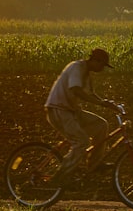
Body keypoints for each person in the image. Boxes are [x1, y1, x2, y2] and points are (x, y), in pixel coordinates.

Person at [44, 47, 118, 184]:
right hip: (59, 110)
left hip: (71, 111)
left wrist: (106, 103)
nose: (102, 69)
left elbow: (90, 94)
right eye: (102, 65)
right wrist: (101, 104)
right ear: (95, 60)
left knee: (101, 125)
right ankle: (60, 177)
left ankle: (94, 164)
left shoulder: (86, 73)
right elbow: (76, 90)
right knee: (82, 141)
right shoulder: (77, 67)